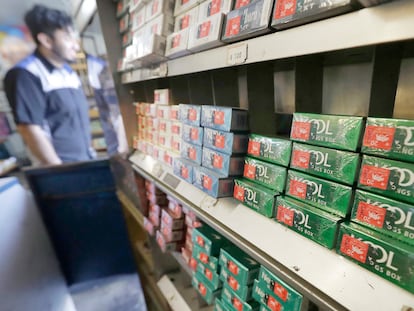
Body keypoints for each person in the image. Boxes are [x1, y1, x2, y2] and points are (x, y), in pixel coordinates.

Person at [4, 5, 96, 165]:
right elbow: (30, 129)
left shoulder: (68, 72)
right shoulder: (26, 74)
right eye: (67, 38)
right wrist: (59, 171)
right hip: (61, 171)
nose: (75, 45)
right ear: (46, 40)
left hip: (84, 161)